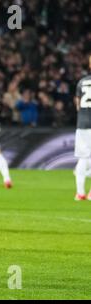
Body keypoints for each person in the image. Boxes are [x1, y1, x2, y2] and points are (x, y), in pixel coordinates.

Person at [73, 54, 91, 201]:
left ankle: (80, 193)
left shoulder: (81, 82)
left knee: (83, 158)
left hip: (83, 123)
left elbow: (78, 105)